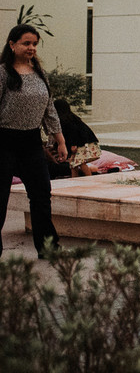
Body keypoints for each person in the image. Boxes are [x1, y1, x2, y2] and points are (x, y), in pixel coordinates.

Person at [0, 24, 67, 258]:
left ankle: (48, 248)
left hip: (31, 142)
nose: (31, 48)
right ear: (12, 44)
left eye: (34, 44)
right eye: (26, 43)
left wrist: (59, 140)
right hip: (4, 142)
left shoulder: (39, 73)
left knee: (41, 196)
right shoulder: (2, 73)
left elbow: (49, 109)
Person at [51, 99, 102, 178]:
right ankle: (74, 179)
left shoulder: (67, 120)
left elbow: (73, 134)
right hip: (82, 142)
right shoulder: (71, 118)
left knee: (80, 162)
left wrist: (74, 145)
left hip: (80, 143)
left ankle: (90, 178)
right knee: (73, 163)